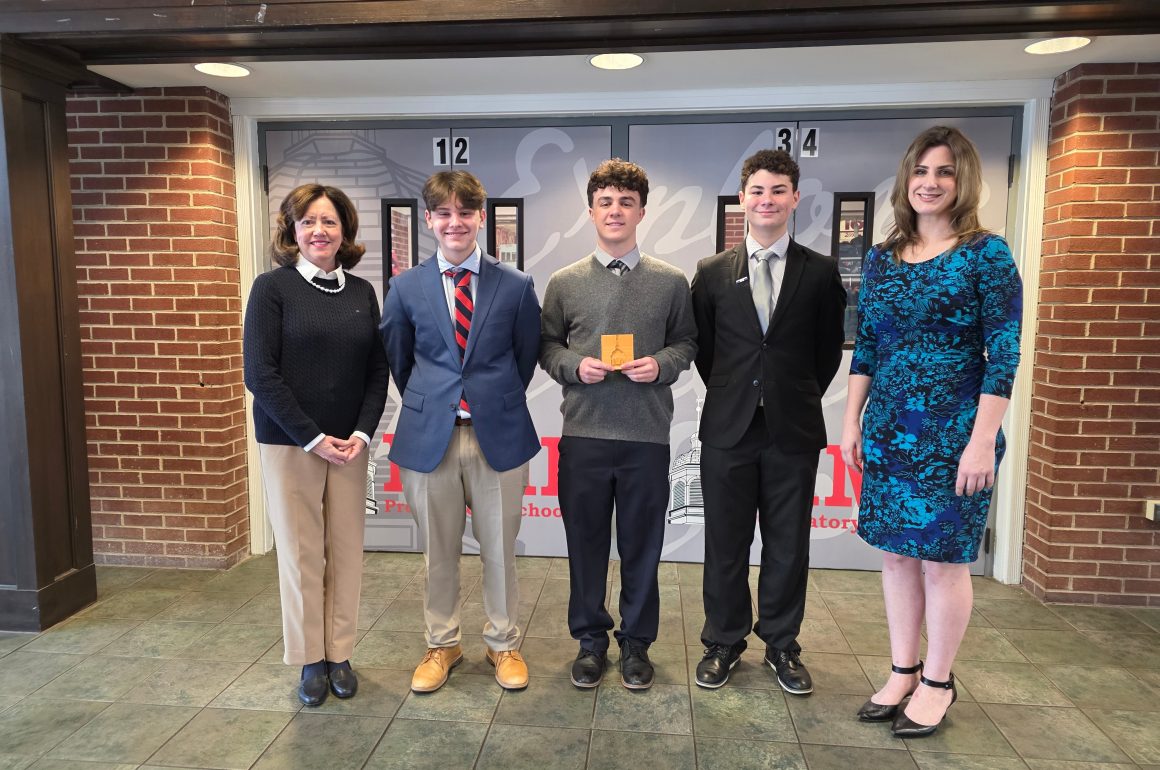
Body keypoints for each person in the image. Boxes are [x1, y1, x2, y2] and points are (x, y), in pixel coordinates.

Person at [840, 125, 1022, 737]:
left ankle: (939, 682)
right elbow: (868, 345)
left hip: (956, 436)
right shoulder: (882, 257)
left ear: (962, 179)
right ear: (906, 180)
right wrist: (851, 421)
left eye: (944, 171)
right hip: (890, 430)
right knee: (896, 556)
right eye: (920, 171)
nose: (930, 182)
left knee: (942, 562)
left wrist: (982, 440)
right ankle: (903, 671)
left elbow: (1004, 353)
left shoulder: (986, 254)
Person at [690, 149, 847, 693]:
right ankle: (724, 641)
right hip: (728, 429)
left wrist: (787, 394)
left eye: (779, 190)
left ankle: (782, 644)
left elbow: (827, 352)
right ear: (742, 199)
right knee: (725, 543)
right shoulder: (711, 272)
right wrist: (740, 392)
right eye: (757, 190)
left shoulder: (820, 271)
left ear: (795, 198)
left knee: (788, 544)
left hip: (793, 430)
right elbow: (706, 352)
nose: (767, 200)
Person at [381, 170, 542, 693]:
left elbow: (525, 357)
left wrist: (487, 398)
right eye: (444, 213)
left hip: (499, 434)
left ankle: (503, 643)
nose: (456, 222)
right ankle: (442, 643)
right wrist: (439, 400)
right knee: (439, 553)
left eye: (465, 212)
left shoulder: (515, 285)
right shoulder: (405, 287)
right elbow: (400, 360)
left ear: (481, 217)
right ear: (429, 219)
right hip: (431, 437)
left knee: (500, 551)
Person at [540, 158, 697, 691]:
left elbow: (687, 342)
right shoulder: (564, 282)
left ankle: (636, 643)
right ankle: (590, 642)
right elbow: (547, 345)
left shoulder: (670, 282)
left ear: (642, 212)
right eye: (605, 202)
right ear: (591, 212)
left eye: (626, 202)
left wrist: (662, 364)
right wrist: (572, 366)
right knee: (585, 546)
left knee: (642, 548)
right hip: (583, 435)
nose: (615, 211)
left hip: (645, 437)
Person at [243, 183, 388, 706]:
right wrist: (311, 436)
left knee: (346, 552)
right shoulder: (272, 289)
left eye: (329, 221)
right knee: (302, 554)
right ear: (293, 231)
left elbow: (377, 370)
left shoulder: (362, 293)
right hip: (290, 444)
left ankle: (339, 654)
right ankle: (310, 658)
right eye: (308, 222)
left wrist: (361, 433)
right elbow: (260, 373)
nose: (319, 231)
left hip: (349, 446)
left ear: (345, 230)